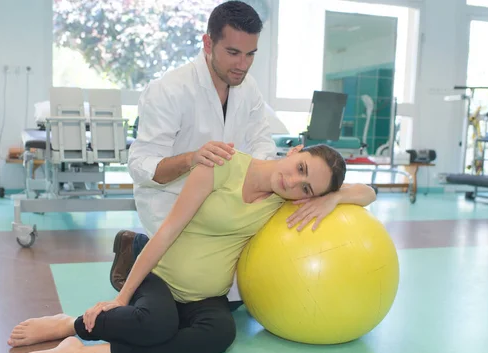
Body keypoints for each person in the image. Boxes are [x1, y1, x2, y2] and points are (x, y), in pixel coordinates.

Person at [7, 144, 376, 353]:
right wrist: (120, 299)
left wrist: (332, 198)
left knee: (220, 337)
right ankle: (71, 327)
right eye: (301, 169)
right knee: (156, 326)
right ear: (296, 151)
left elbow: (369, 192)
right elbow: (166, 232)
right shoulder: (221, 164)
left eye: (306, 189)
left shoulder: (285, 200)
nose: (294, 183)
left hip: (208, 297)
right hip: (161, 278)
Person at [111, 1, 342, 305]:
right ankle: (137, 246)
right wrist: (191, 159)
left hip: (228, 204)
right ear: (208, 43)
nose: (243, 65)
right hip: (171, 205)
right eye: (233, 53)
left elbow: (262, 145)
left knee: (235, 301)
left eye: (250, 55)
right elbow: (140, 166)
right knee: (194, 303)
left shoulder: (249, 89)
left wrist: (324, 192)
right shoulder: (168, 90)